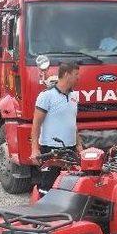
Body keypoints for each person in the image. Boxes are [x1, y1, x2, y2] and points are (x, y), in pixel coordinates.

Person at [30, 62, 83, 196]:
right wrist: (35, 149)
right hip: (51, 150)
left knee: (68, 188)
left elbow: (72, 123)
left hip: (70, 150)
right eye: (76, 74)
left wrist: (79, 146)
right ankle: (43, 214)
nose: (78, 78)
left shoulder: (74, 96)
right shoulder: (46, 96)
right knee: (47, 188)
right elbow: (36, 124)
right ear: (66, 74)